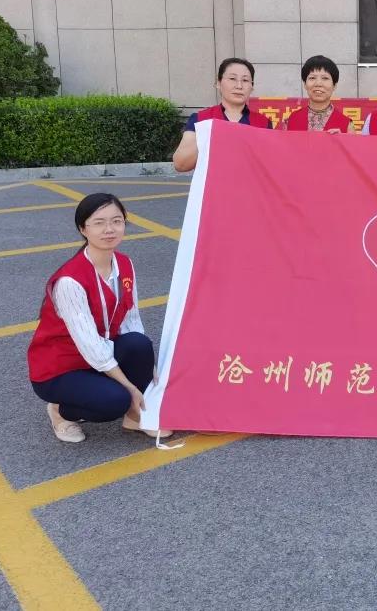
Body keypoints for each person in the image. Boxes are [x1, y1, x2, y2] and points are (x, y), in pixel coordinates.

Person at [28, 193, 171, 443]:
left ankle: (135, 418)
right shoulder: (70, 281)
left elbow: (131, 318)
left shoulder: (124, 264)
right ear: (83, 229)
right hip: (61, 368)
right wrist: (130, 386)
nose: (109, 229)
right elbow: (89, 344)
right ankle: (60, 411)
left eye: (116, 221)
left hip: (98, 353)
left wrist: (148, 365)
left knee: (139, 344)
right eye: (99, 223)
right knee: (115, 401)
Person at [172, 57, 271, 172]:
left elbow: (269, 164)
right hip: (214, 183)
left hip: (250, 183)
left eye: (245, 80)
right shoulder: (201, 119)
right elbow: (181, 164)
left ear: (251, 87)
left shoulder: (263, 123)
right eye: (232, 78)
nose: (239, 86)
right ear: (218, 83)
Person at [283, 55, 354, 133]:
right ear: (305, 84)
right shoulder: (290, 120)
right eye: (312, 78)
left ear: (334, 85)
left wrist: (343, 139)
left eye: (325, 78)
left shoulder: (347, 125)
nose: (318, 83)